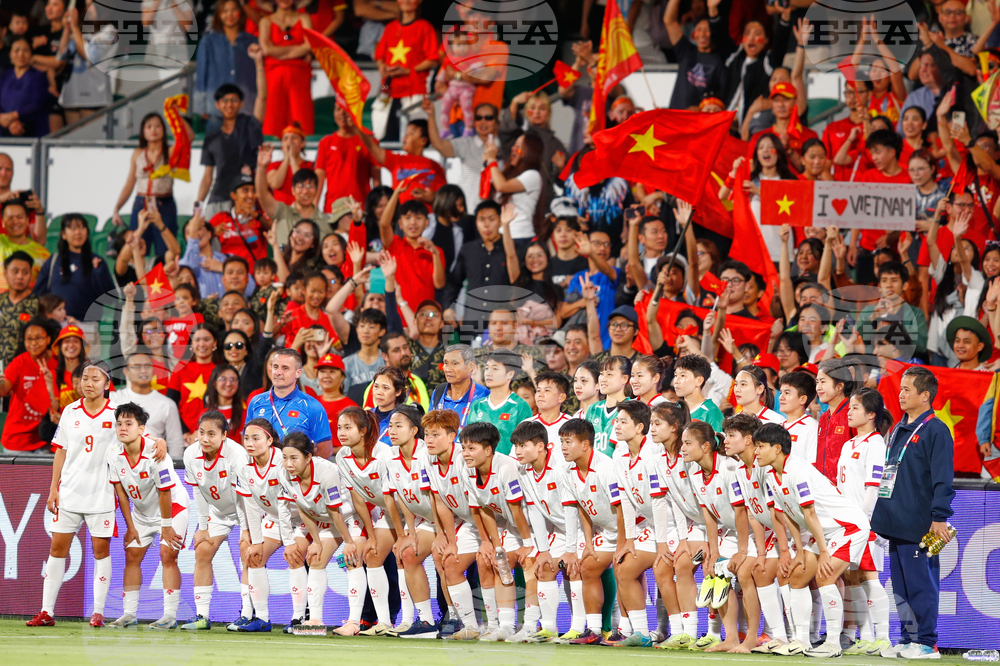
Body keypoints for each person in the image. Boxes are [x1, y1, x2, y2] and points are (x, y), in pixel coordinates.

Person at [26, 362, 167, 628]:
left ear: (107, 384)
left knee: (101, 552)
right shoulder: (70, 411)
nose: (88, 382)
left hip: (102, 494)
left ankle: (98, 612)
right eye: (84, 378)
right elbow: (61, 451)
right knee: (57, 549)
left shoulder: (117, 411)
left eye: (95, 378)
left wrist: (159, 441)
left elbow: (141, 434)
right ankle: (46, 611)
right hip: (69, 492)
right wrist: (53, 488)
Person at [755, 421, 877, 658]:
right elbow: (789, 513)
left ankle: (833, 644)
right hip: (823, 532)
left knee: (825, 575)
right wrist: (799, 550)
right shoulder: (771, 475)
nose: (756, 452)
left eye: (760, 446)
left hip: (847, 527)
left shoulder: (797, 471)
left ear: (777, 448)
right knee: (798, 577)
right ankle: (800, 640)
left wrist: (823, 552)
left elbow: (809, 513)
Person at [871, 367, 955, 659]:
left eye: (907, 389)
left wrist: (939, 517)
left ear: (925, 395)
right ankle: (909, 639)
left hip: (920, 522)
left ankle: (927, 643)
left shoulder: (936, 430)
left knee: (922, 585)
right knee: (901, 587)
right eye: (901, 389)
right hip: (896, 518)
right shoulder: (897, 429)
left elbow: (943, 479)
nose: (901, 394)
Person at [179, 410, 261, 631]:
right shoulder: (190, 454)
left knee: (247, 551)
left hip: (246, 508)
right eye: (201, 433)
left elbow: (243, 496)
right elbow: (197, 491)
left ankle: (246, 614)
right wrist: (203, 527)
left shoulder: (237, 454)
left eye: (212, 434)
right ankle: (202, 616)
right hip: (217, 511)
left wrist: (246, 530)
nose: (205, 439)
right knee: (202, 550)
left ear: (224, 435)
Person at [106, 403, 185, 629]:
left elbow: (165, 491)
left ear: (141, 429)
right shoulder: (114, 453)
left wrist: (166, 526)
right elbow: (120, 493)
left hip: (173, 507)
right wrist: (130, 526)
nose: (122, 428)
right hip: (141, 513)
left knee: (167, 555)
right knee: (131, 556)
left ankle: (169, 615)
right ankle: (129, 614)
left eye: (128, 424)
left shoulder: (156, 453)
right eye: (119, 423)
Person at [277, 430, 358, 632]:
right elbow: (303, 507)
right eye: (285, 457)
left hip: (346, 516)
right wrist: (316, 541)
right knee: (314, 558)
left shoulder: (327, 472)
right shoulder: (284, 473)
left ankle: (354, 622)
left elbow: (335, 512)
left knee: (351, 560)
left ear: (309, 457)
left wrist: (349, 543)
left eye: (294, 458)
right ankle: (314, 621)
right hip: (321, 517)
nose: (288, 463)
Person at [462, 421, 533, 641]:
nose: (465, 454)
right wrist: (496, 545)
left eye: (471, 448)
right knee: (495, 561)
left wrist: (528, 543)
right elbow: (484, 510)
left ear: (488, 450)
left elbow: (518, 510)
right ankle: (501, 625)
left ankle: (530, 625)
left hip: (531, 522)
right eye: (463, 448)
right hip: (508, 523)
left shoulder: (506, 467)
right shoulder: (469, 470)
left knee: (529, 563)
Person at [558, 417, 623, 645]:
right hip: (605, 531)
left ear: (585, 445)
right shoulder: (567, 471)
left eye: (568, 442)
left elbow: (621, 507)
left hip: (630, 529)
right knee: (587, 567)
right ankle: (594, 630)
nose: (563, 447)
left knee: (628, 570)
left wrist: (624, 543)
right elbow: (582, 509)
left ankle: (627, 628)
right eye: (561, 442)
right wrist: (588, 543)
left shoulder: (606, 467)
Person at [336, 406, 400, 635]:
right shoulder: (342, 455)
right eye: (339, 427)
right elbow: (356, 497)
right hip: (369, 512)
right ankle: (362, 622)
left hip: (399, 509)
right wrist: (371, 535)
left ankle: (391, 620)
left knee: (378, 557)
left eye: (347, 427)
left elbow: (393, 497)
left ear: (363, 430)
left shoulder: (384, 454)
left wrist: (402, 535)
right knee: (356, 556)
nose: (341, 433)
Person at [839, 388, 893, 656]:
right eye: (849, 407)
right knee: (852, 578)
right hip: (845, 524)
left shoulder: (875, 444)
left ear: (871, 414)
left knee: (869, 576)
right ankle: (866, 636)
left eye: (855, 408)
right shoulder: (849, 444)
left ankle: (883, 637)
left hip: (864, 524)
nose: (849, 412)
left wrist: (864, 521)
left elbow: (873, 489)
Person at [382, 405, 440, 637]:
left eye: (399, 426)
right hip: (424, 519)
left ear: (415, 430)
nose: (392, 431)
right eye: (390, 426)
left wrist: (445, 534)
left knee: (445, 560)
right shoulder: (391, 457)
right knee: (407, 553)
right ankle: (425, 621)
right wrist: (407, 534)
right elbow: (400, 498)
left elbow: (437, 497)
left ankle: (460, 620)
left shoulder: (427, 454)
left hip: (449, 518)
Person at [112, 112, 191, 255]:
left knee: (166, 251)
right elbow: (130, 183)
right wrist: (117, 208)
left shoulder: (170, 151)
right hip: (141, 203)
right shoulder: (138, 153)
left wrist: (176, 116)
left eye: (157, 126)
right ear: (143, 131)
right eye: (149, 126)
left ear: (163, 129)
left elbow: (188, 138)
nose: (153, 130)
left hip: (164, 203)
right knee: (137, 248)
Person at [197, 79, 267, 222]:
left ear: (241, 103)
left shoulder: (249, 126)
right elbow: (207, 177)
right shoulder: (211, 138)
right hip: (217, 199)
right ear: (217, 104)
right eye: (225, 100)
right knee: (213, 243)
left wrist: (259, 62)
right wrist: (198, 205)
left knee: (243, 243)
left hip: (244, 200)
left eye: (234, 100)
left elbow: (262, 97)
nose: (229, 104)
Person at [246, 348, 334, 457]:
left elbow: (325, 450)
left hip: (296, 472)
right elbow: (247, 440)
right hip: (261, 471)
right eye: (275, 367)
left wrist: (305, 472)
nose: (278, 372)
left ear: (298, 372)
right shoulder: (256, 402)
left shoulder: (312, 406)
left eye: (285, 368)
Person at [371, 0, 439, 142]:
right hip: (388, 92)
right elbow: (379, 56)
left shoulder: (424, 27)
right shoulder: (390, 27)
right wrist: (381, 65)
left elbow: (433, 59)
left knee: (412, 139)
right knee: (383, 136)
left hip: (415, 91)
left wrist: (407, 70)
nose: (407, 1)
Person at [377, 180, 446, 310]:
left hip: (424, 318)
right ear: (400, 224)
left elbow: (439, 284)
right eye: (408, 218)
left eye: (418, 218)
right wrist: (396, 194)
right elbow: (384, 224)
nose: (413, 222)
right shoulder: (394, 244)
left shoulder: (436, 251)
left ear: (426, 223)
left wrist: (435, 254)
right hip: (397, 317)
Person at [194, 0, 259, 135]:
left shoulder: (252, 41)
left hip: (246, 106)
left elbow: (257, 75)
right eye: (225, 11)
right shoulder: (208, 41)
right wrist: (201, 106)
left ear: (240, 13)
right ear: (218, 15)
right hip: (216, 108)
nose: (229, 14)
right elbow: (201, 76)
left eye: (233, 10)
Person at [33, 214, 114, 321]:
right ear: (63, 234)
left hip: (87, 326)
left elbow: (110, 298)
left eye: (82, 227)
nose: (78, 232)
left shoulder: (97, 262)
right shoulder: (53, 261)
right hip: (58, 325)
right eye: (72, 228)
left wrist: (99, 273)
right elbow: (38, 295)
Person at [423, 97, 498, 209]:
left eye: (488, 118)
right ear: (473, 122)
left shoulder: (504, 146)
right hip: (469, 209)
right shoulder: (466, 143)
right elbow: (439, 145)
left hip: (495, 211)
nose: (483, 122)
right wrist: (431, 115)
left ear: (496, 121)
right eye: (478, 118)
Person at [256, 143, 336, 247]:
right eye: (301, 186)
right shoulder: (281, 213)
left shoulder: (327, 222)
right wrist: (261, 167)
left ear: (317, 190)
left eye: (309, 186)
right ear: (293, 190)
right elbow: (262, 195)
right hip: (284, 263)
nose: (305, 191)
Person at [0, 318, 59, 454]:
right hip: (17, 440)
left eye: (38, 338)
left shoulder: (58, 362)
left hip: (48, 439)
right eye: (29, 339)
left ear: (48, 339)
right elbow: (4, 390)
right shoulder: (19, 362)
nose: (33, 343)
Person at [258, 0, 314, 136]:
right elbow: (266, 50)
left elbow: (310, 44)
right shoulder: (265, 21)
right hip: (273, 78)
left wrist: (279, 53)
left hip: (299, 76)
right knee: (273, 120)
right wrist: (297, 52)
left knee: (301, 118)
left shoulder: (304, 18)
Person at [112, 352, 184, 457]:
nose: (143, 370)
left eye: (147, 366)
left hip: (153, 465)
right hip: (119, 464)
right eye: (137, 367)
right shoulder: (113, 399)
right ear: (126, 371)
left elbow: (175, 443)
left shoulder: (167, 404)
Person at [467, 350, 533, 456]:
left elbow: (526, 446)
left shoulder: (520, 407)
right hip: (478, 469)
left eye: (495, 368)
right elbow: (468, 442)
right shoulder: (477, 405)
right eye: (487, 368)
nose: (488, 373)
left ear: (510, 374)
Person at [315, 105, 379, 211]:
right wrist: (314, 205)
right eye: (338, 109)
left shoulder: (368, 142)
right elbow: (319, 178)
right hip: (332, 208)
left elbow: (377, 179)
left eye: (346, 109)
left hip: (361, 207)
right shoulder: (326, 143)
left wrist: (377, 207)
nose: (342, 113)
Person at [167, 324, 220, 437]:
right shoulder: (181, 367)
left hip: (213, 433)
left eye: (207, 339)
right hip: (182, 434)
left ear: (214, 343)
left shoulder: (221, 370)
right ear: (191, 343)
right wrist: (185, 432)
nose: (201, 344)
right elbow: (170, 404)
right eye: (197, 340)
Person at [0, 37, 50, 137]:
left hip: (32, 130)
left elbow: (37, 105)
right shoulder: (4, 76)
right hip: (4, 129)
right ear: (10, 54)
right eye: (17, 50)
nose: (21, 54)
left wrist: (13, 117)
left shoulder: (39, 76)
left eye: (25, 50)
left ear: (31, 54)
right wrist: (7, 121)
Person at [0, 200, 50, 291]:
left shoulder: (42, 253)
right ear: (3, 222)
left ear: (27, 221)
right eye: (10, 218)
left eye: (20, 217)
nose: (15, 221)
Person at [0, 250, 39, 364]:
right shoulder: (1, 301)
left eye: (25, 272)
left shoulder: (38, 305)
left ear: (31, 274)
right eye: (15, 271)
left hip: (25, 371)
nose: (20, 276)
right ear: (5, 273)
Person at [672, 353, 724, 431]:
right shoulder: (674, 409)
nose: (676, 381)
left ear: (699, 381)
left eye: (683, 375)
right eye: (676, 376)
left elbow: (719, 441)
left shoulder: (711, 412)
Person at [778, 371, 819, 464]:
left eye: (787, 393)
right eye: (781, 392)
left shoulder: (812, 427)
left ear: (802, 399)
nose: (781, 397)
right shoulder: (777, 426)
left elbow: (812, 465)